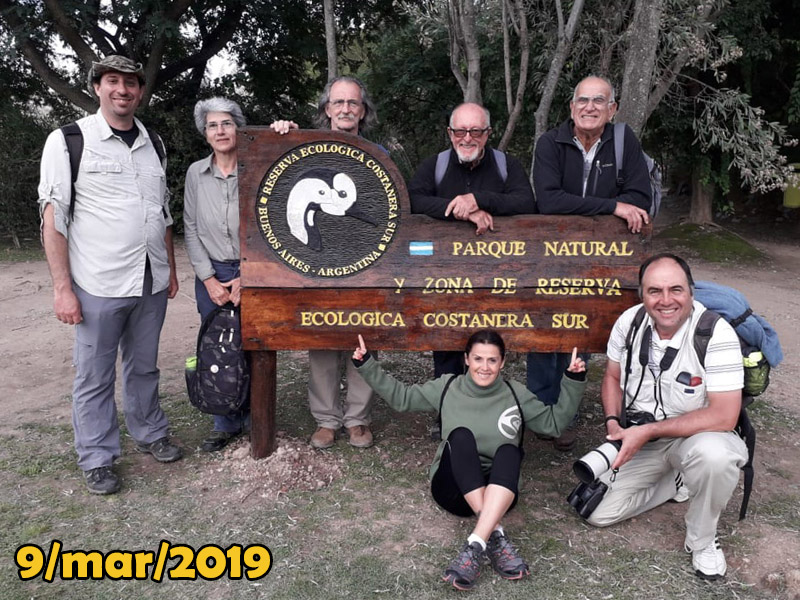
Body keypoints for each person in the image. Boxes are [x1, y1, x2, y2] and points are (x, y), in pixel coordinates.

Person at [38, 55, 182, 496]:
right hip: (98, 282)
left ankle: (150, 432)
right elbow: (53, 217)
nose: (123, 90)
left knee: (144, 368)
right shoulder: (69, 140)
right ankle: (98, 457)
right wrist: (62, 289)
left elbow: (162, 212)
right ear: (98, 87)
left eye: (131, 83)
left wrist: (171, 268)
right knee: (94, 375)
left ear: (140, 91)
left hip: (150, 281)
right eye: (113, 81)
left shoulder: (153, 143)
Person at [352, 330, 587, 590]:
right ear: (466, 359)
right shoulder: (448, 387)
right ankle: (493, 532)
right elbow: (402, 398)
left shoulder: (514, 393)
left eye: (492, 360)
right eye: (478, 359)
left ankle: (476, 543)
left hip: (500, 493)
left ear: (502, 362)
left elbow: (553, 424)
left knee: (510, 452)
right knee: (461, 436)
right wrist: (367, 364)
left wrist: (573, 380)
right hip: (452, 490)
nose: (484, 367)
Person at [585, 253, 748, 580]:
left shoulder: (715, 334)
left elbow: (725, 415)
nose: (666, 300)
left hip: (697, 437)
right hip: (642, 437)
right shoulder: (629, 323)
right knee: (596, 512)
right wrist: (613, 423)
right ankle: (676, 481)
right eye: (654, 291)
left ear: (691, 291)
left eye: (676, 289)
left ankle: (702, 540)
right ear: (641, 295)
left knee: (714, 457)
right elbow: (612, 377)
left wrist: (648, 431)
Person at [527, 75, 653, 450]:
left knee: (580, 331)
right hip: (551, 255)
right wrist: (612, 206)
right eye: (583, 100)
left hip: (600, 259)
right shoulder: (550, 143)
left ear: (612, 109)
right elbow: (549, 201)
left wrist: (611, 207)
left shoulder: (623, 141)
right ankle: (540, 410)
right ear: (571, 107)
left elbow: (640, 197)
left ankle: (565, 412)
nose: (590, 107)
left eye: (599, 101)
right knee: (543, 329)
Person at [270, 76, 379, 450]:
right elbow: (273, 173)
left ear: (362, 111)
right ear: (327, 109)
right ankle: (326, 420)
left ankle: (358, 420)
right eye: (339, 102)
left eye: (353, 103)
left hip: (366, 265)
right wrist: (280, 134)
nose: (346, 109)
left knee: (365, 338)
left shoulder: (378, 154)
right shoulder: (305, 148)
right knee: (321, 339)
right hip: (315, 264)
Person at [408, 103, 536, 383]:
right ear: (450, 133)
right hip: (444, 280)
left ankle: (485, 405)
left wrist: (479, 200)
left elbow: (526, 202)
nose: (467, 138)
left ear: (488, 133)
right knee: (446, 350)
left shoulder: (506, 165)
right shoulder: (435, 165)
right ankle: (447, 405)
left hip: (494, 279)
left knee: (487, 350)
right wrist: (461, 210)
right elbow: (413, 200)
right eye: (460, 131)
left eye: (475, 131)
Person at [184, 97, 249, 452]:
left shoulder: (255, 167)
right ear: (205, 133)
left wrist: (248, 276)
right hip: (212, 271)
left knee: (252, 346)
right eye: (213, 125)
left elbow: (268, 226)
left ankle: (255, 418)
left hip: (251, 269)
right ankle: (225, 422)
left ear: (237, 128)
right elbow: (191, 228)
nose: (220, 131)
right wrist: (208, 279)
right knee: (218, 348)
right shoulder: (196, 173)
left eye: (227, 123)